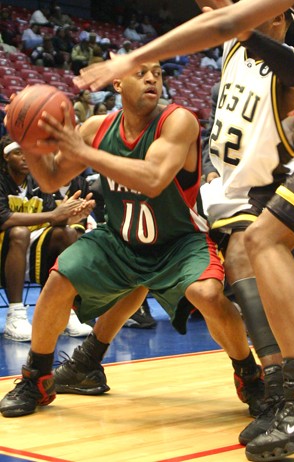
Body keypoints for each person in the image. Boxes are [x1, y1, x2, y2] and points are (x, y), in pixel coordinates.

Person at [73, 1, 294, 460]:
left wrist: (129, 59)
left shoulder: (286, 47)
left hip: (268, 182)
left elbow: (236, 27)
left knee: (258, 243)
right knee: (249, 246)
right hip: (230, 185)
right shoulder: (247, 48)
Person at [0, 61, 264, 418]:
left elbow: (154, 178)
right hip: (121, 240)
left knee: (207, 294)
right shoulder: (98, 127)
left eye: (157, 72)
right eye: (141, 73)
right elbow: (49, 180)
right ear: (119, 83)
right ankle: (37, 378)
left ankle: (250, 374)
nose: (152, 78)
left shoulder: (178, 120)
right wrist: (27, 137)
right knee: (59, 279)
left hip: (179, 241)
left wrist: (85, 152)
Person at [199, 3, 294, 446]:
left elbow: (293, 72)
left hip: (276, 187)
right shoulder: (232, 47)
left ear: (279, 19)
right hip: (229, 191)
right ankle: (288, 384)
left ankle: (283, 388)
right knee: (252, 286)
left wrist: (242, 27)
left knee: (243, 250)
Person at [0, 135, 94, 341]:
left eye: (27, 154)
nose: (25, 158)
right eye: (18, 153)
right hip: (5, 244)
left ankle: (64, 311)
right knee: (19, 231)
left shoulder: (37, 181)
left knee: (68, 234)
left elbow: (53, 218)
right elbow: (3, 218)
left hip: (28, 245)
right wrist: (52, 216)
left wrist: (72, 216)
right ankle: (15, 314)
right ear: (5, 158)